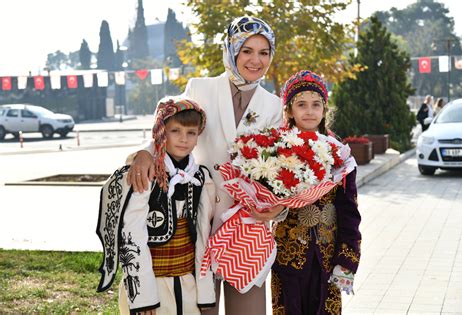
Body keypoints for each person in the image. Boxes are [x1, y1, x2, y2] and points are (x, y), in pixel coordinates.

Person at [126, 16, 284, 315]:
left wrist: (278, 208)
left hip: (246, 230)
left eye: (264, 52)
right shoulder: (200, 87)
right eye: (247, 50)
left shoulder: (273, 106)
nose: (255, 60)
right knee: (201, 308)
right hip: (195, 222)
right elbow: (172, 127)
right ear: (231, 49)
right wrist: (146, 151)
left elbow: (278, 169)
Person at [96, 98, 216, 315]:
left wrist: (203, 289)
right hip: (152, 282)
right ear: (161, 132)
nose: (183, 139)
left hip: (187, 280)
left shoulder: (200, 177)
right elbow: (132, 234)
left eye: (191, 133)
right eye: (175, 131)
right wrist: (144, 298)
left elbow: (202, 235)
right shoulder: (147, 174)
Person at [271, 70, 362, 314]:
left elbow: (349, 211)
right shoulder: (276, 152)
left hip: (327, 257)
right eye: (301, 105)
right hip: (287, 256)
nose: (309, 111)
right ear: (289, 110)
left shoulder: (339, 155)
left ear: (324, 109)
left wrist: (347, 258)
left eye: (315, 104)